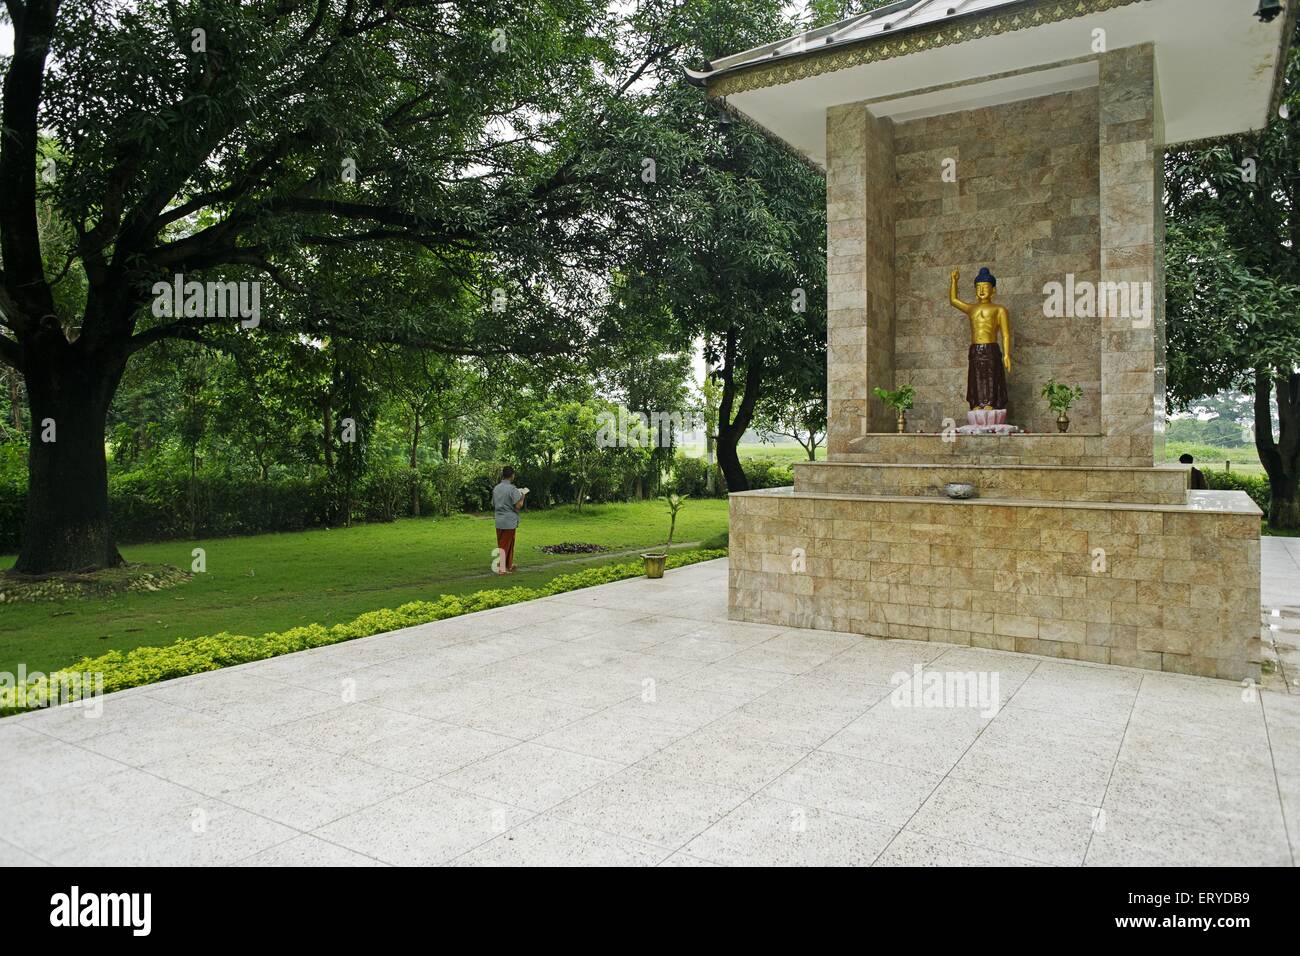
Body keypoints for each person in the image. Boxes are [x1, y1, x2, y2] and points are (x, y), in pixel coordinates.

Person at [491, 466, 526, 574]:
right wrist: (523, 496)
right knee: (506, 545)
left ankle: (508, 565)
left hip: (499, 520)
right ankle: (502, 568)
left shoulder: (496, 488)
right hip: (509, 521)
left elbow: (493, 503)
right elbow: (518, 506)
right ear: (512, 475)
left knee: (504, 543)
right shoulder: (512, 489)